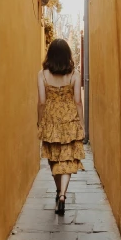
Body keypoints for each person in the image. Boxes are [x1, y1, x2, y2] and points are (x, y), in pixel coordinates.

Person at [37, 39, 85, 215]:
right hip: (69, 121)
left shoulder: (42, 75)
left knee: (54, 158)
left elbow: (42, 102)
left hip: (51, 121)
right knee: (66, 159)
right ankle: (63, 194)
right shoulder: (74, 74)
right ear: (67, 55)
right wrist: (81, 124)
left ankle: (58, 192)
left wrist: (39, 121)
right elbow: (78, 102)